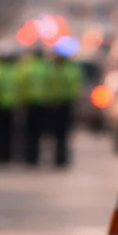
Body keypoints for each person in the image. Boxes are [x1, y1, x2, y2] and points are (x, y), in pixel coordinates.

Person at [45, 38, 83, 168]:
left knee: (62, 134)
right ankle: (59, 158)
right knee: (58, 134)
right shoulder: (68, 69)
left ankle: (60, 158)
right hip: (59, 104)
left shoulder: (54, 69)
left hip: (62, 103)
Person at [18, 46, 50, 166]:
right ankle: (36, 157)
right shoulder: (46, 68)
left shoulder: (27, 67)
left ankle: (29, 157)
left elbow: (20, 84)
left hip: (28, 103)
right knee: (39, 133)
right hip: (42, 104)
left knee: (28, 132)